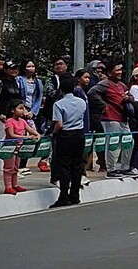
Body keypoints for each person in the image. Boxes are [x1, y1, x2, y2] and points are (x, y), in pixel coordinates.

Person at [87, 61, 136, 178]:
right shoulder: (104, 84)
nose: (120, 72)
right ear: (109, 72)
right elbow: (91, 92)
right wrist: (103, 105)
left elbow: (131, 96)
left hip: (123, 117)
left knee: (129, 142)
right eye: (117, 70)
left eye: (120, 69)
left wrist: (128, 98)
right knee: (113, 143)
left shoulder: (122, 85)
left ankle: (125, 167)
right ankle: (111, 169)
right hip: (110, 118)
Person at [49, 75, 87, 208]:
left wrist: (53, 133)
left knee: (64, 166)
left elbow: (59, 124)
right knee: (77, 165)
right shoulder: (82, 102)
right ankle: (75, 195)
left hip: (65, 135)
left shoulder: (59, 104)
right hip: (79, 134)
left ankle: (64, 195)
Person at [0, 61, 23, 176]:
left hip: (15, 117)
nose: (14, 71)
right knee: (3, 141)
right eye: (11, 68)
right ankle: (3, 169)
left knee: (16, 143)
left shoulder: (16, 82)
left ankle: (14, 170)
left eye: (16, 68)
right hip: (3, 117)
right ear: (6, 70)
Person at [3, 99, 41, 195]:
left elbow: (30, 129)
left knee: (16, 167)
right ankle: (8, 186)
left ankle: (15, 184)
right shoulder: (9, 121)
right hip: (10, 147)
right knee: (9, 168)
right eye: (20, 108)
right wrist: (26, 137)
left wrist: (37, 134)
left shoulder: (22, 121)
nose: (22, 111)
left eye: (23, 109)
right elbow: (11, 135)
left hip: (19, 148)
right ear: (12, 110)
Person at [17, 60, 46, 174]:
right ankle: (18, 164)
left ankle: (24, 163)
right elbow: (18, 96)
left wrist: (33, 112)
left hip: (31, 112)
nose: (31, 68)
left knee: (31, 136)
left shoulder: (38, 82)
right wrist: (22, 110)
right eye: (29, 66)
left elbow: (39, 98)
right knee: (21, 137)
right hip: (21, 110)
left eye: (33, 66)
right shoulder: (19, 80)